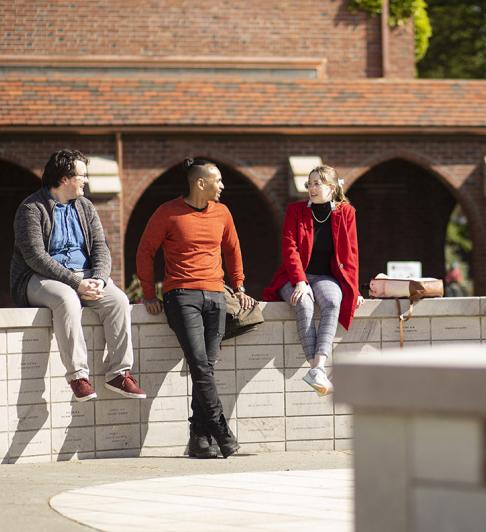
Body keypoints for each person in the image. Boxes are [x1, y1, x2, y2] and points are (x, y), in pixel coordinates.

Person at [136, 158, 256, 459]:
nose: (223, 186)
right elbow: (145, 251)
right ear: (201, 183)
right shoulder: (167, 212)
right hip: (182, 296)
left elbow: (233, 249)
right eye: (218, 180)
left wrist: (239, 286)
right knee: (201, 365)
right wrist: (149, 293)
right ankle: (222, 433)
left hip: (216, 295)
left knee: (207, 367)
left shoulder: (223, 213)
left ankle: (199, 438)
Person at [10, 149, 145, 402]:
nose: (86, 180)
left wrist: (100, 279)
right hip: (38, 278)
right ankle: (78, 376)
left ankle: (119, 373)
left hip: (85, 276)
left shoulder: (85, 206)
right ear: (64, 178)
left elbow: (101, 247)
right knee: (66, 299)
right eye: (82, 175)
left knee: (118, 300)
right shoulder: (31, 208)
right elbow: (36, 257)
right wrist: (76, 283)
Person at [262, 165, 363, 396]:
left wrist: (353, 289)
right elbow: (290, 249)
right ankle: (315, 369)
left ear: (332, 187)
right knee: (304, 302)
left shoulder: (346, 212)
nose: (312, 188)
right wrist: (299, 281)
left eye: (318, 183)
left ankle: (318, 367)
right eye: (309, 184)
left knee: (333, 300)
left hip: (325, 277)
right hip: (294, 276)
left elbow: (351, 254)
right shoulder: (295, 211)